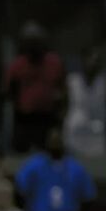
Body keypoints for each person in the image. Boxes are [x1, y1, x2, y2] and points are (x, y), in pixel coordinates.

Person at [5, 22, 66, 153]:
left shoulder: (54, 62)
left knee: (48, 154)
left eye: (36, 41)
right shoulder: (17, 65)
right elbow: (8, 90)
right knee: (21, 152)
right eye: (29, 42)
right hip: (25, 119)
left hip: (48, 118)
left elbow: (63, 88)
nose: (33, 45)